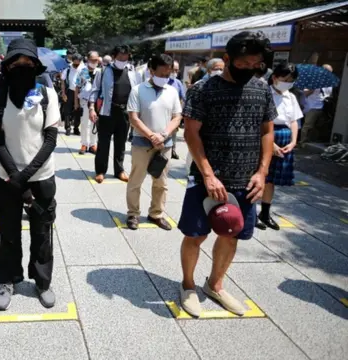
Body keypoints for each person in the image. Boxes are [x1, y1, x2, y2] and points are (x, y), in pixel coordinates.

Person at [178, 31, 276, 317]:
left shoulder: (261, 89)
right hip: (207, 179)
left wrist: (262, 172)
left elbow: (267, 131)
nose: (249, 70)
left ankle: (216, 284)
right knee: (195, 235)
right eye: (242, 64)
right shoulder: (203, 90)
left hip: (246, 180)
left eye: (254, 65)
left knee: (231, 236)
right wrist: (208, 174)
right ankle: (188, 285)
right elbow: (191, 134)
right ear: (227, 59)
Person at [0, 39, 59, 311]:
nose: (22, 67)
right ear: (7, 66)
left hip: (42, 176)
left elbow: (50, 140)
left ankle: (42, 281)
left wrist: (26, 174)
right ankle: (7, 279)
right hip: (7, 176)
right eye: (16, 63)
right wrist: (15, 175)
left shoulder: (47, 95)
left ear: (35, 66)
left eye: (28, 63)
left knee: (42, 231)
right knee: (8, 231)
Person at [126, 54, 182, 231]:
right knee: (136, 180)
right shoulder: (138, 90)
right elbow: (134, 118)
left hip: (164, 144)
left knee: (161, 182)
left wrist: (164, 135)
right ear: (151, 70)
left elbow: (177, 117)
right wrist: (152, 136)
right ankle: (133, 213)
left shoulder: (172, 91)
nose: (166, 77)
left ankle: (156, 213)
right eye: (162, 73)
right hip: (142, 143)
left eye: (169, 74)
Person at [256, 63, 302, 231]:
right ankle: (251, 213)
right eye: (285, 79)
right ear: (275, 77)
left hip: (285, 138)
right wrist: (270, 144)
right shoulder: (264, 93)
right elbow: (259, 122)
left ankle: (265, 213)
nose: (288, 83)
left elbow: (294, 121)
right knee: (260, 175)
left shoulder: (291, 96)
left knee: (272, 180)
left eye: (291, 80)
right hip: (266, 135)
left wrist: (293, 141)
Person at [89, 45, 137, 184]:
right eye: (121, 56)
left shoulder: (133, 72)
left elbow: (137, 93)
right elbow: (95, 90)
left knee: (121, 143)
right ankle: (100, 171)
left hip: (124, 112)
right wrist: (92, 108)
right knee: (103, 143)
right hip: (106, 111)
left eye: (126, 56)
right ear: (114, 56)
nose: (123, 58)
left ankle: (119, 170)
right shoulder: (103, 71)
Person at [74, 51, 100, 155]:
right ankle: (84, 144)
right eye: (92, 60)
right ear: (88, 60)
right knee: (85, 123)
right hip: (85, 101)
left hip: (97, 102)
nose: (94, 62)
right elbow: (77, 87)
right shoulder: (82, 71)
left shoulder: (100, 71)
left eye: (96, 60)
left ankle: (93, 144)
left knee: (95, 124)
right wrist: (76, 102)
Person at [301, 64, 333, 143]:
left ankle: (304, 142)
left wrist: (303, 91)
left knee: (309, 126)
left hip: (316, 107)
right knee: (312, 126)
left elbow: (307, 93)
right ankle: (306, 142)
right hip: (318, 107)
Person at [60, 53, 85, 136]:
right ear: (72, 61)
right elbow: (63, 81)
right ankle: (67, 127)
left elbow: (86, 81)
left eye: (78, 63)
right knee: (67, 110)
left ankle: (76, 128)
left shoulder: (84, 69)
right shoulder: (67, 69)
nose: (76, 65)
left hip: (80, 92)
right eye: (75, 63)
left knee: (78, 110)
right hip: (69, 91)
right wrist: (63, 93)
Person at [168, 60, 187, 160]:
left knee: (174, 133)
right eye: (173, 70)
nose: (175, 72)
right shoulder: (163, 80)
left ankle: (172, 150)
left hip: (175, 113)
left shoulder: (178, 82)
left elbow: (183, 97)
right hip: (164, 113)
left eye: (177, 70)